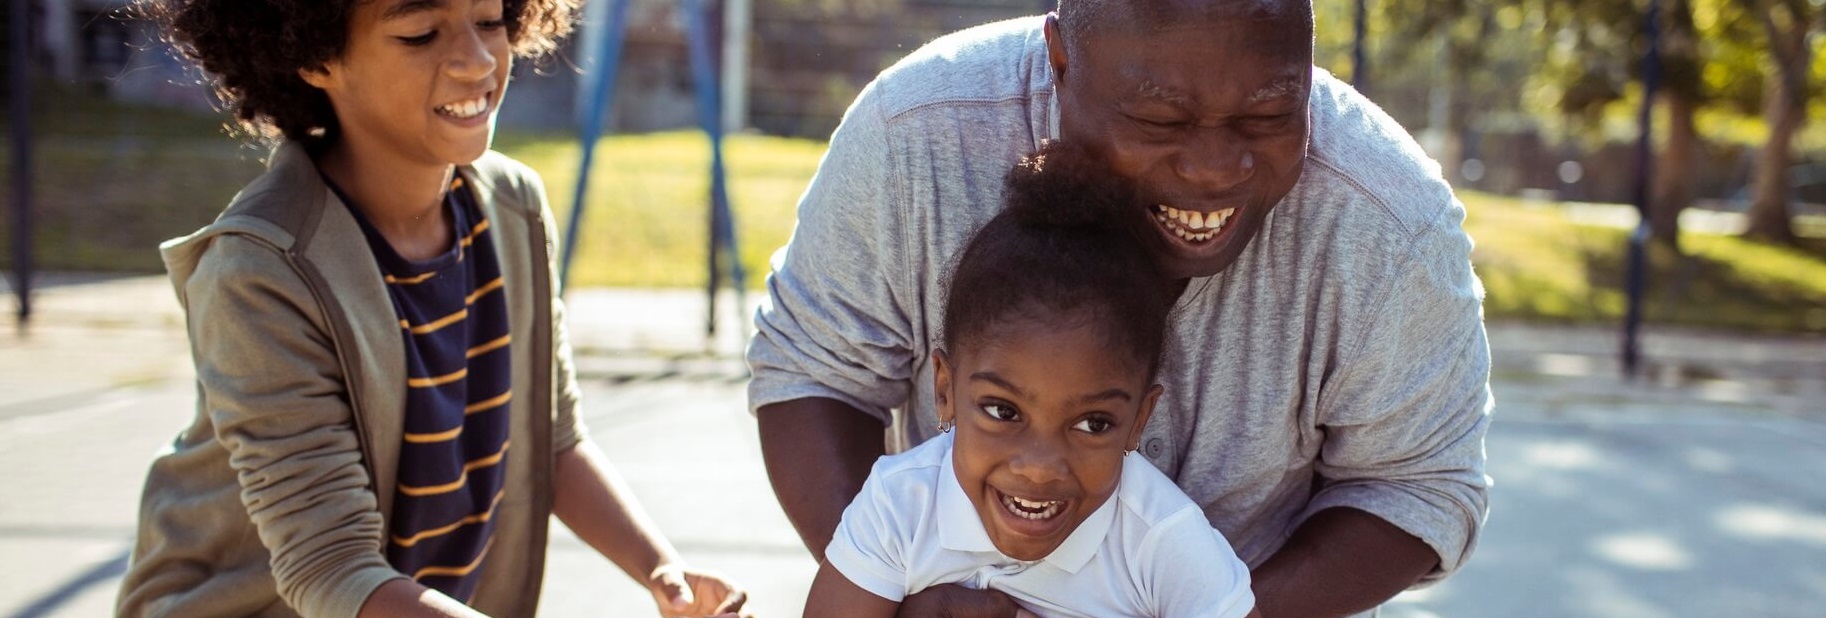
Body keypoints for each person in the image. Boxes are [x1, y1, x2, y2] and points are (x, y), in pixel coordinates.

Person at [747, 1, 1493, 616]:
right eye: (1160, 122)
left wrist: (1211, 608)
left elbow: (1418, 486)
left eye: (1266, 115)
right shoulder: (914, 133)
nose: (1214, 168)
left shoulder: (1391, 221)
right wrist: (899, 593)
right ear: (1061, 62)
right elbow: (814, 370)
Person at [115, 0, 750, 616]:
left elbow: (552, 438)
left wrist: (664, 572)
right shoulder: (259, 271)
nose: (475, 60)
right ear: (313, 55)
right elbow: (332, 569)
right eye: (421, 33)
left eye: (489, 20)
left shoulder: (513, 207)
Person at [805, 143, 1258, 618]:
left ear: (1139, 420)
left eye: (1094, 423)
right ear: (945, 391)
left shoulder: (1160, 539)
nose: (1040, 467)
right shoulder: (900, 506)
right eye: (1003, 411)